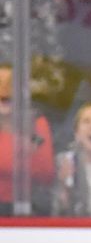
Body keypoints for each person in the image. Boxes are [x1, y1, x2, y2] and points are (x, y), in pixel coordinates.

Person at [0, 64, 55, 216]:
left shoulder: (36, 123)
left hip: (28, 213)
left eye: (10, 84)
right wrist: (22, 152)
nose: (4, 91)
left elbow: (46, 173)